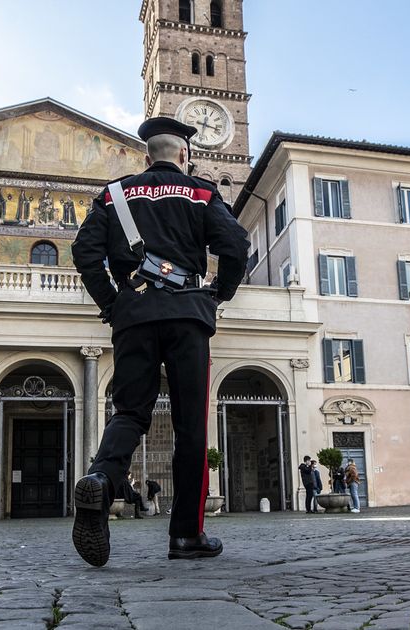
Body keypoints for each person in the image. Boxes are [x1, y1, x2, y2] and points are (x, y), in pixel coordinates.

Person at [69, 116, 249, 566]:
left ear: (146, 158)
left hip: (133, 316)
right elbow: (237, 245)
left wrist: (113, 303)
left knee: (130, 411)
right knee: (190, 424)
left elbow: (83, 252)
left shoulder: (114, 195)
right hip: (188, 315)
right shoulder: (203, 192)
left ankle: (102, 479)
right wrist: (218, 293)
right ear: (184, 156)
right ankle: (186, 536)